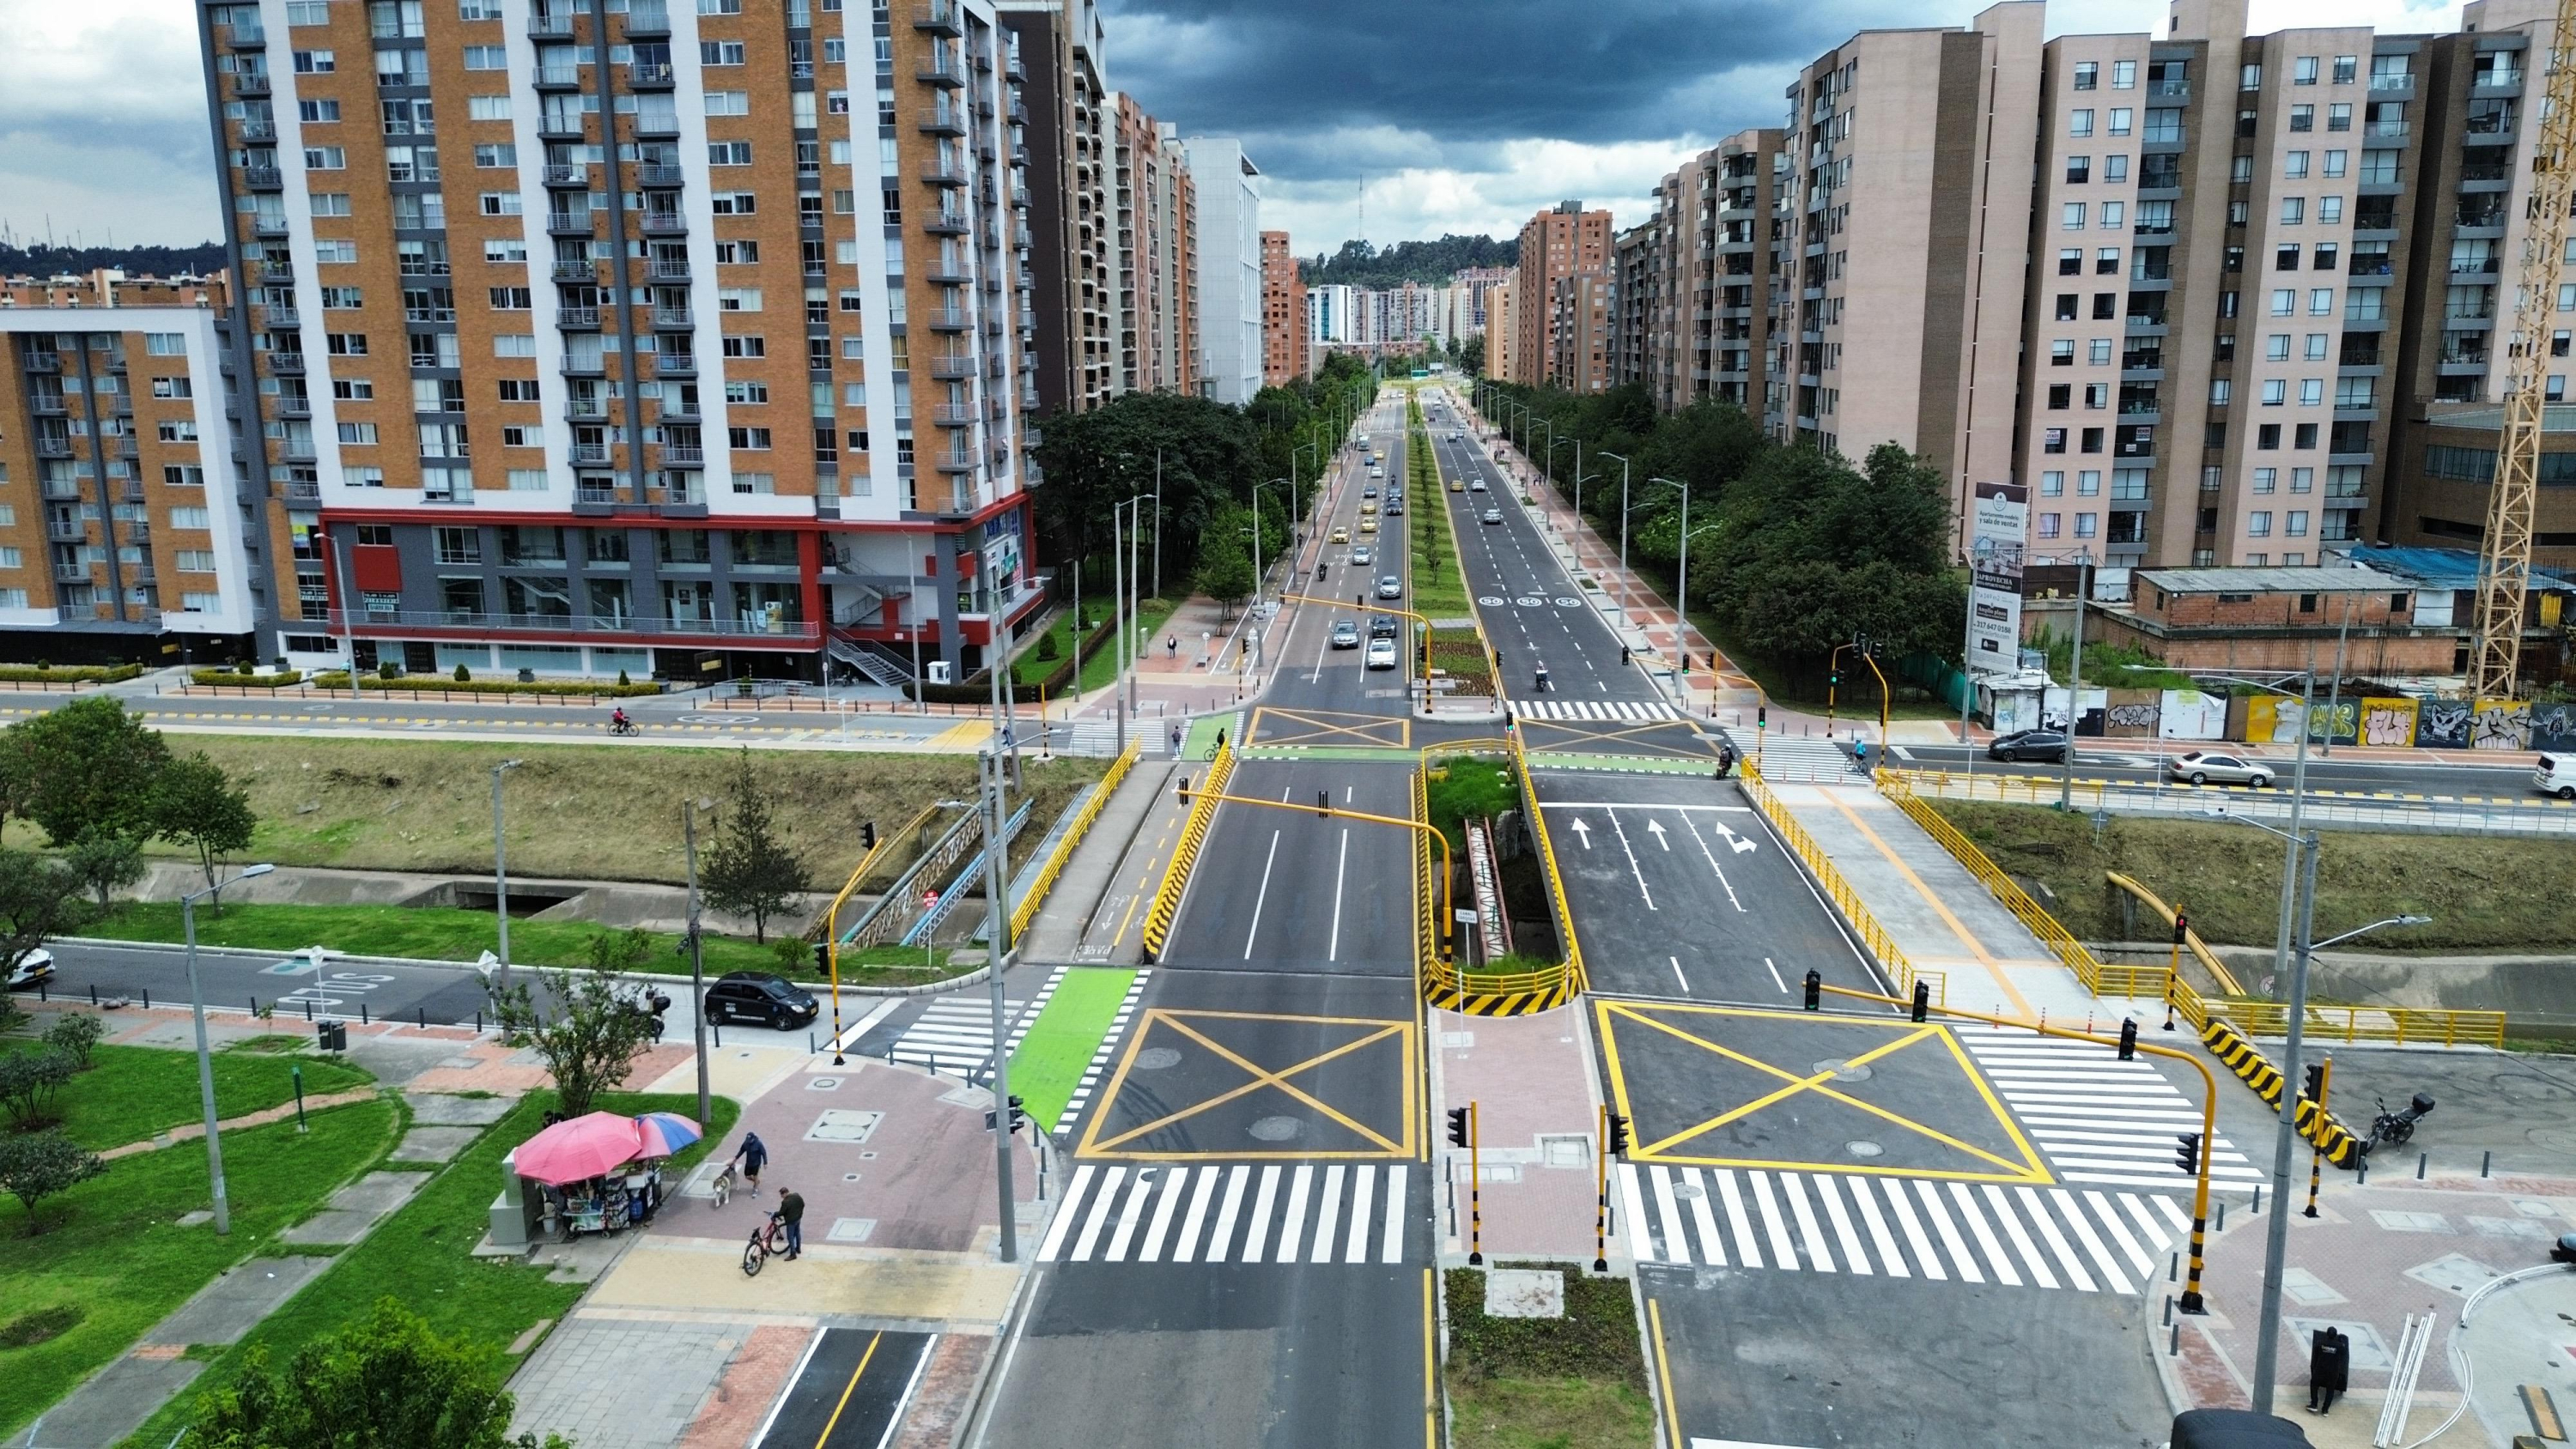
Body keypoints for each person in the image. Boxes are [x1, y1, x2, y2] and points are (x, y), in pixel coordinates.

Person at [730, 1131, 768, 1196]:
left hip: (756, 1163)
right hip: (748, 1163)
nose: (749, 1141)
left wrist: (765, 1162)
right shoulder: (746, 1143)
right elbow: (742, 1150)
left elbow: (764, 1153)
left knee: (755, 1176)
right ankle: (757, 1182)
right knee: (747, 1176)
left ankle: (755, 1189)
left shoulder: (759, 1144)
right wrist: (736, 1158)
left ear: (753, 1138)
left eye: (750, 1140)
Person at [775, 1186, 805, 1260]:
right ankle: (798, 1248)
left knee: (790, 1236)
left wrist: (775, 1214)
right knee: (798, 1233)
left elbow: (781, 1212)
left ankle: (793, 1253)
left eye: (782, 1194)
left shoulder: (785, 1202)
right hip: (798, 1218)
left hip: (791, 1221)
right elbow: (803, 1204)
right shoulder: (796, 1195)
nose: (781, 1196)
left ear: (785, 1193)